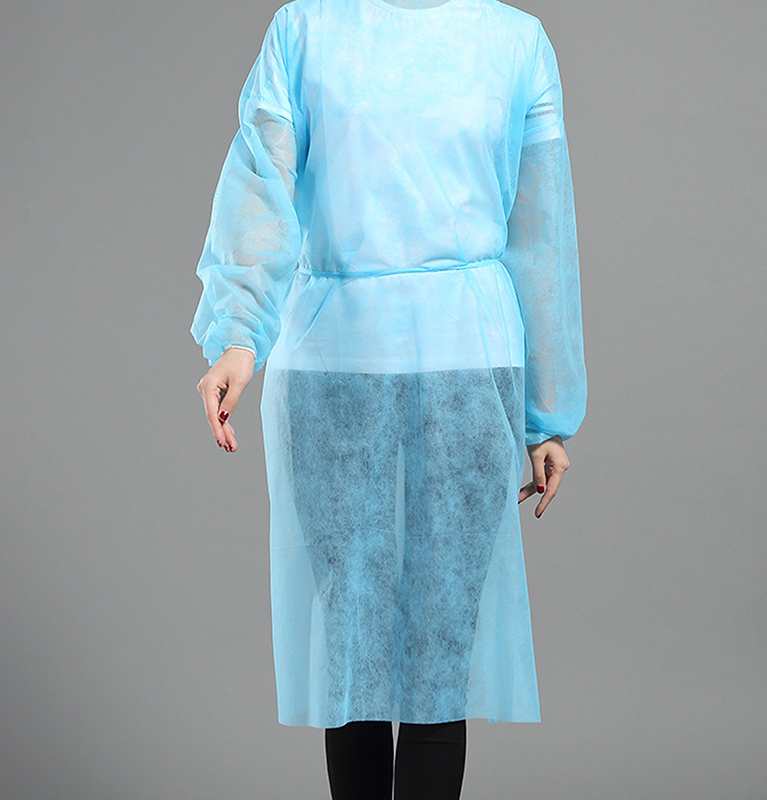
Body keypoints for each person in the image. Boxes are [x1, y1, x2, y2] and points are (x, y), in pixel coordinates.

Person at [190, 0, 587, 796]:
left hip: (465, 372)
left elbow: (540, 230)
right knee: (353, 642)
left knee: (442, 649)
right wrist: (238, 335)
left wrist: (546, 415)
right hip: (339, 371)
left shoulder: (516, 42)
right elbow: (262, 179)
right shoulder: (305, 30)